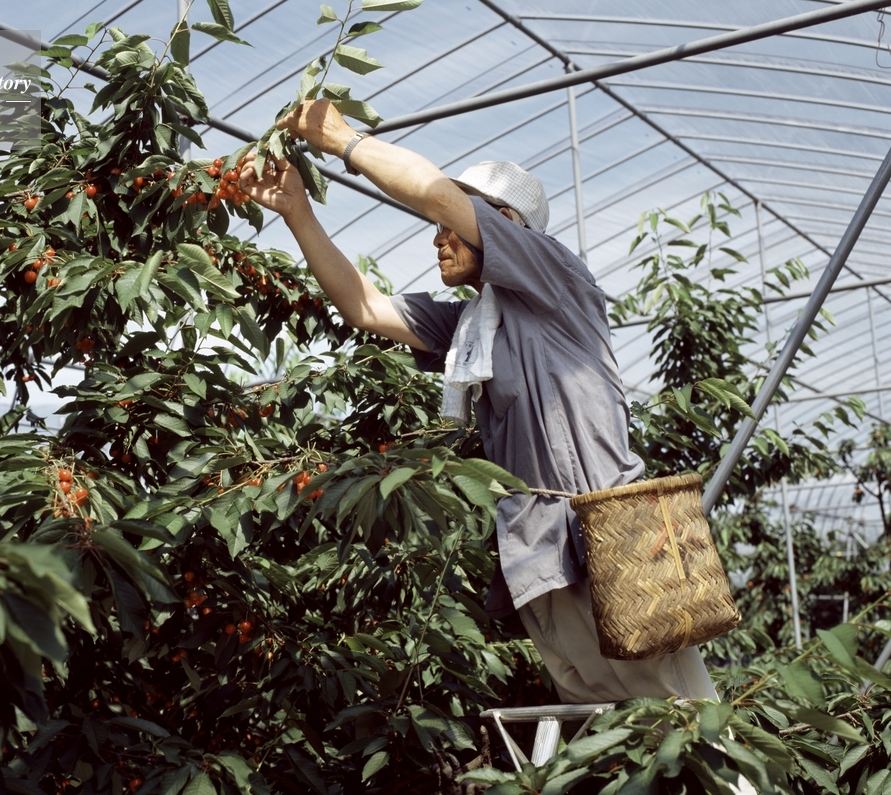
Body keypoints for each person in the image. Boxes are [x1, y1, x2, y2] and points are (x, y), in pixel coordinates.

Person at [238, 99, 717, 705]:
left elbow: (438, 196)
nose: (438, 237)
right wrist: (297, 212)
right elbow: (365, 307)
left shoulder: (555, 278)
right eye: (440, 228)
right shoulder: (473, 327)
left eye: (452, 225)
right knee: (600, 714)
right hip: (542, 550)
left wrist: (345, 141)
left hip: (616, 537)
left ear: (505, 225)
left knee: (679, 717)